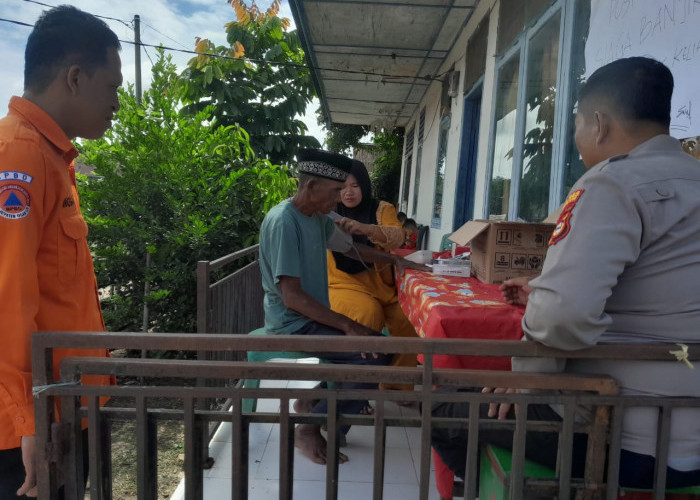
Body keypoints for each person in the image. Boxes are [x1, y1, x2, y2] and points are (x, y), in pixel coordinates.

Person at [431, 57, 700, 490]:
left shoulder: (611, 184)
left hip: (622, 438)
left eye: (575, 125)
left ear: (598, 123)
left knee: (440, 406)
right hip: (690, 438)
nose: (576, 140)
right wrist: (541, 289)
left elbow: (562, 317)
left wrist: (528, 381)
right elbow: (660, 288)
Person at [0, 5, 122, 498]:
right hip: (35, 425)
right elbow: (6, 297)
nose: (117, 103)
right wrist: (30, 420)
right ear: (75, 77)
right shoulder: (20, 156)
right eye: (112, 87)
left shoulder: (51, 156)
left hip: (65, 404)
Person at [259, 149, 424, 466]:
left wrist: (395, 259)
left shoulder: (316, 220)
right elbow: (292, 297)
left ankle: (313, 400)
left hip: (310, 317)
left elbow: (352, 249)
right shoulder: (284, 221)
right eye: (335, 191)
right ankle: (307, 429)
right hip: (292, 322)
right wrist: (347, 324)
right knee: (372, 359)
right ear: (310, 188)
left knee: (382, 351)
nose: (339, 200)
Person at [328, 160, 420, 391]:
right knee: (367, 314)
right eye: (342, 187)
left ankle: (394, 384)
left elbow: (398, 238)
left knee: (409, 320)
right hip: (343, 285)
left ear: (366, 186)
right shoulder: (328, 210)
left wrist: (365, 228)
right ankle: (356, 391)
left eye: (355, 185)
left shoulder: (382, 209)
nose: (348, 192)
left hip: (384, 288)